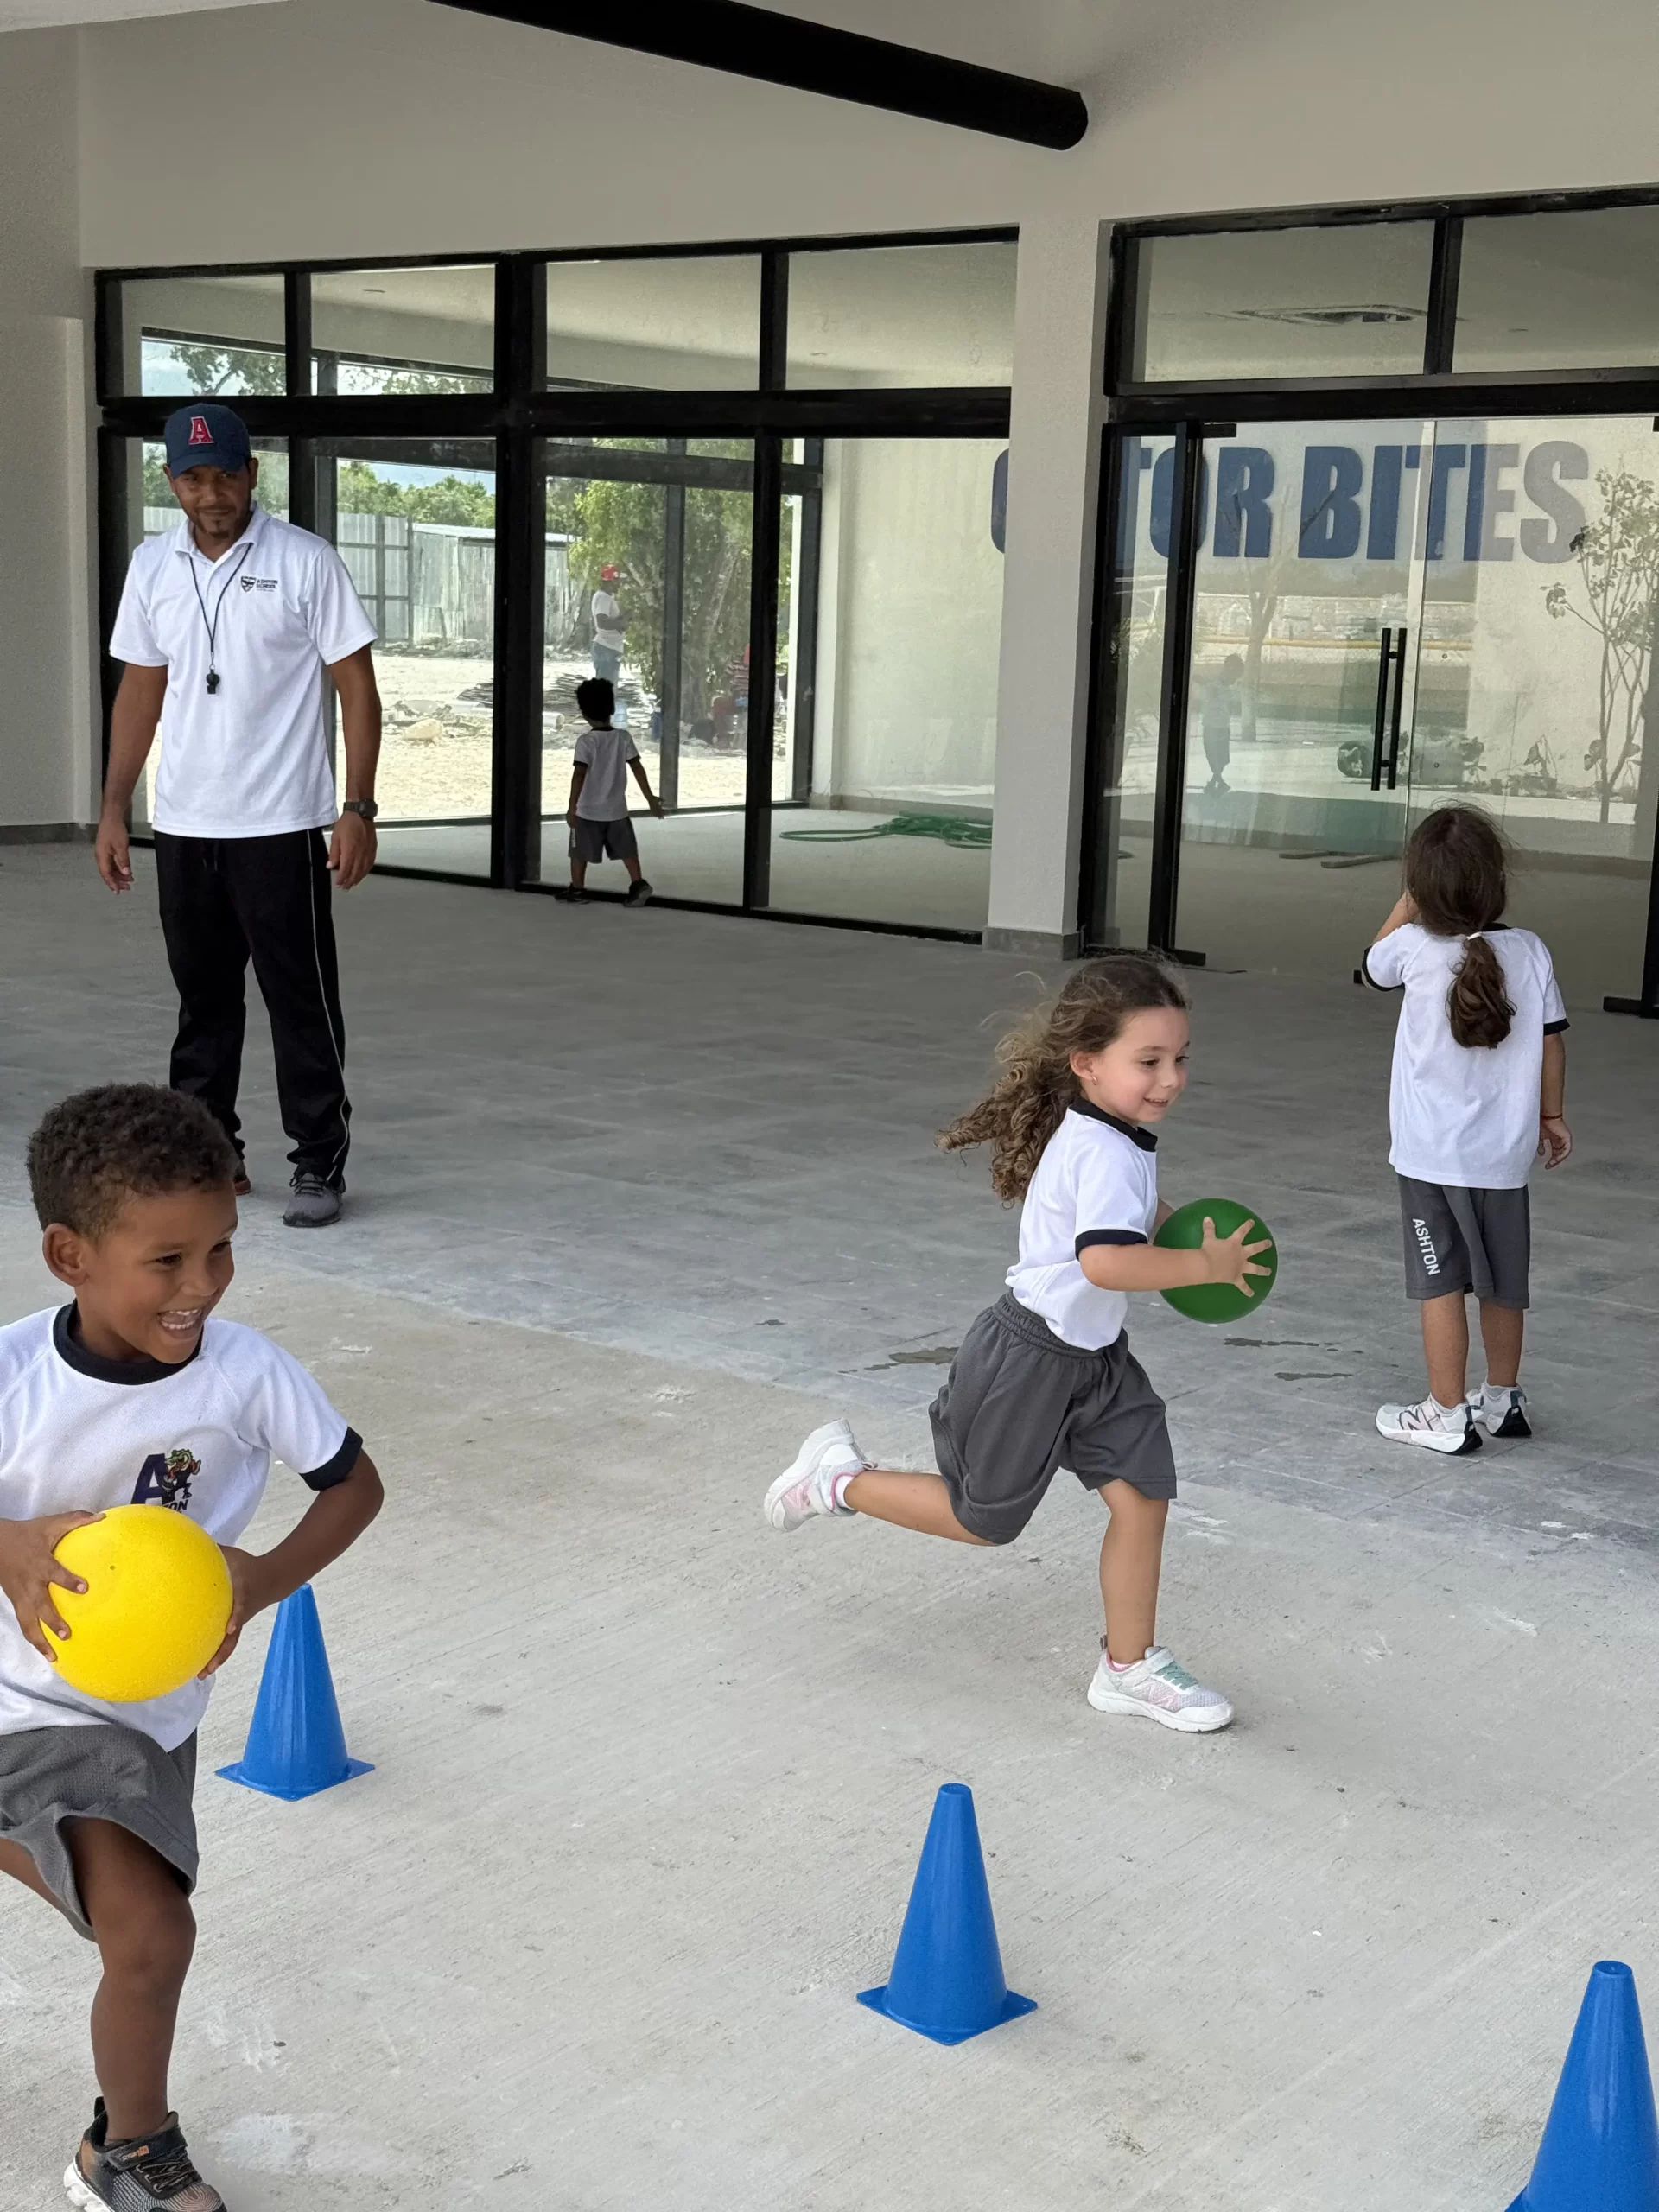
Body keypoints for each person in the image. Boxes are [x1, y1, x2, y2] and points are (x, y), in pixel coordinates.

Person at [0, 1084, 383, 2212]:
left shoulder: (247, 1374)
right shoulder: (14, 1374)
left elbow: (355, 1485)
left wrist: (261, 1578)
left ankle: (119, 2150)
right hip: (14, 1697)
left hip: (137, 1722)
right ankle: (135, 2147)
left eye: (220, 1248)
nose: (202, 1285)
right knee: (151, 1931)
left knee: (147, 1933)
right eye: (166, 1260)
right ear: (70, 1255)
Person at [764, 956, 1268, 1733]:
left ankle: (1128, 1667)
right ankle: (839, 1479)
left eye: (1180, 1058)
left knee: (1142, 1497)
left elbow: (1132, 1215)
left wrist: (1182, 1231)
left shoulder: (1116, 1133)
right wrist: (1201, 1267)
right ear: (1087, 1062)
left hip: (1094, 1361)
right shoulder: (1102, 1148)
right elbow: (1106, 1262)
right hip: (1031, 1361)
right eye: (1149, 1061)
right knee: (984, 1521)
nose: (1171, 1078)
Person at [98, 403, 383, 1231]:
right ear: (170, 482)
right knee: (204, 1004)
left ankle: (318, 1160)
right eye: (194, 478)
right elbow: (141, 690)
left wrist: (357, 807)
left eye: (226, 475)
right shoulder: (152, 566)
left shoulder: (305, 561)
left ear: (252, 474)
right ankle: (207, 1158)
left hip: (281, 825)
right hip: (186, 825)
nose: (212, 493)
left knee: (301, 1002)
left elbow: (358, 688)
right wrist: (114, 808)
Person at [1362, 805, 1572, 1452]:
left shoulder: (1413, 949)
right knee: (1504, 1284)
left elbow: (1370, 966)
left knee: (1441, 1281)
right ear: (1496, 882)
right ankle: (1502, 1399)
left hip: (1431, 1156)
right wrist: (1552, 1116)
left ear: (1421, 887)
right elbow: (1552, 1042)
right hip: (1505, 1157)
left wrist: (1406, 903)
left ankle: (1445, 1412)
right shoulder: (1530, 950)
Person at [556, 677, 662, 906]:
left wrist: (572, 807)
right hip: (617, 810)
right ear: (612, 709)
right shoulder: (623, 738)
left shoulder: (586, 742)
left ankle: (578, 889)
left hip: (588, 811)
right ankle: (638, 883)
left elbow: (579, 776)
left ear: (584, 713)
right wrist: (650, 798)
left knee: (579, 852)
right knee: (627, 850)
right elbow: (637, 768)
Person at [1198, 653, 1243, 792]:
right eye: (1235, 676)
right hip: (1211, 725)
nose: (1235, 680)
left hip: (1223, 725)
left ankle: (1216, 780)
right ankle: (1218, 780)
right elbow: (1208, 701)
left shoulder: (1229, 687)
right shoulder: (1213, 685)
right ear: (1228, 670)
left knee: (1222, 757)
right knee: (1213, 755)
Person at [590, 563, 626, 686]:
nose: (620, 584)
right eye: (618, 581)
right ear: (612, 581)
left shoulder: (606, 597)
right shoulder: (603, 597)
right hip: (606, 650)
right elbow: (602, 622)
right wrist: (622, 623)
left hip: (609, 649)